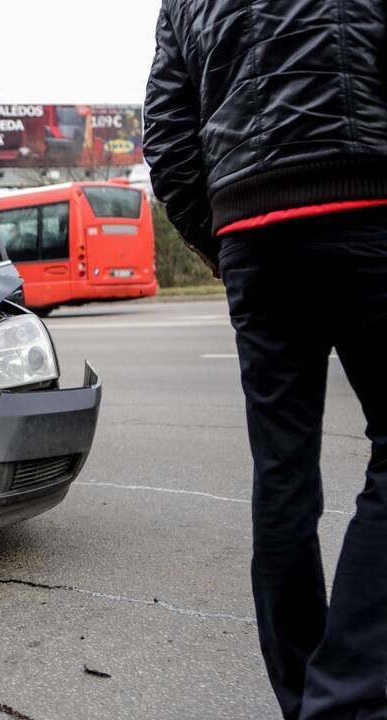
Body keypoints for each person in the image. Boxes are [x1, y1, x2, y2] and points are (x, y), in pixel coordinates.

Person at [143, 2, 387, 718]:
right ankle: (344, 696)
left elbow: (167, 131)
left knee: (283, 470)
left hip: (254, 229)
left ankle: (303, 696)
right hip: (370, 202)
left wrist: (226, 240)